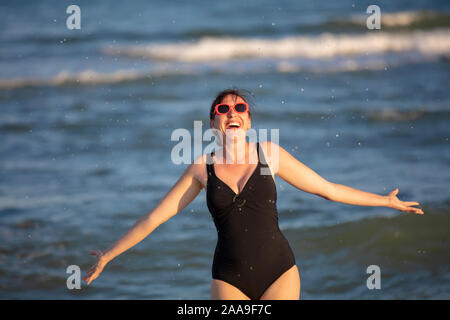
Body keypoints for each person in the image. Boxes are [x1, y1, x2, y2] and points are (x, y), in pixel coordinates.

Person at [83, 88, 424, 300]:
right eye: (223, 109)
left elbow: (328, 190)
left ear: (248, 121)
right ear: (214, 123)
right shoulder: (204, 168)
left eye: (240, 108)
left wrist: (384, 200)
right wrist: (109, 255)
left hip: (279, 272)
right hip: (228, 278)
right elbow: (155, 218)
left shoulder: (268, 155)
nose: (232, 113)